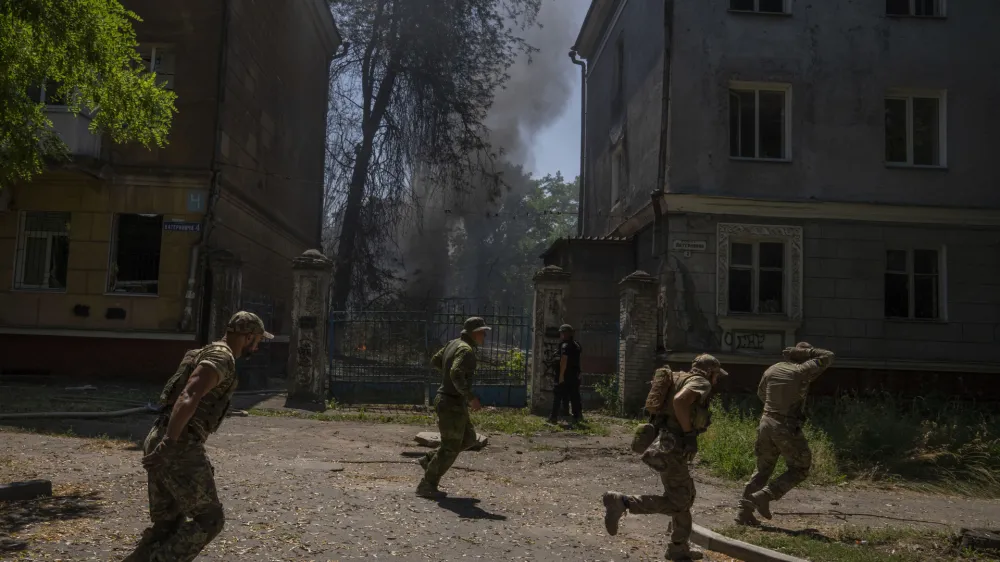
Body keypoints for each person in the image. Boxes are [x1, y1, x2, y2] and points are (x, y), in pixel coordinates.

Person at [122, 311, 273, 562]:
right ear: (247, 337)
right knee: (210, 520)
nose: (257, 347)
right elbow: (189, 395)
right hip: (178, 443)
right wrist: (169, 444)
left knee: (168, 524)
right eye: (257, 340)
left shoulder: (208, 351)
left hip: (163, 435)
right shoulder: (221, 357)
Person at [601, 354, 728, 561]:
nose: (717, 380)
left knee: (685, 496)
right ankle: (623, 502)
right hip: (674, 446)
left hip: (663, 443)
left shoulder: (678, 377)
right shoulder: (700, 382)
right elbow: (680, 402)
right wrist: (688, 435)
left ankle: (678, 549)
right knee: (678, 501)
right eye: (716, 375)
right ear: (710, 371)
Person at [737, 342, 835, 526]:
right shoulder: (802, 370)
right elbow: (828, 355)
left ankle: (744, 512)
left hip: (766, 422)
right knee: (800, 468)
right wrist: (807, 351)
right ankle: (766, 496)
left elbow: (761, 393)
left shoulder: (772, 369)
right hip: (786, 425)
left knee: (762, 469)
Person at [417, 317, 490, 498]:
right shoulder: (466, 350)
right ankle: (427, 484)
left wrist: (450, 379)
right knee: (450, 447)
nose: (484, 336)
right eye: (482, 332)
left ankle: (430, 459)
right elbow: (456, 372)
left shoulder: (453, 344)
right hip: (451, 402)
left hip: (450, 401)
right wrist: (470, 397)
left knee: (469, 438)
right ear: (474, 333)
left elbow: (436, 360)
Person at [549, 324, 583, 424]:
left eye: (562, 333)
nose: (561, 335)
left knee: (558, 396)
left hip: (565, 375)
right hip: (574, 376)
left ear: (566, 333)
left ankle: (553, 417)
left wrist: (561, 376)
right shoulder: (576, 345)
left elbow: (564, 360)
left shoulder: (565, 345)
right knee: (574, 396)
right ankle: (577, 416)